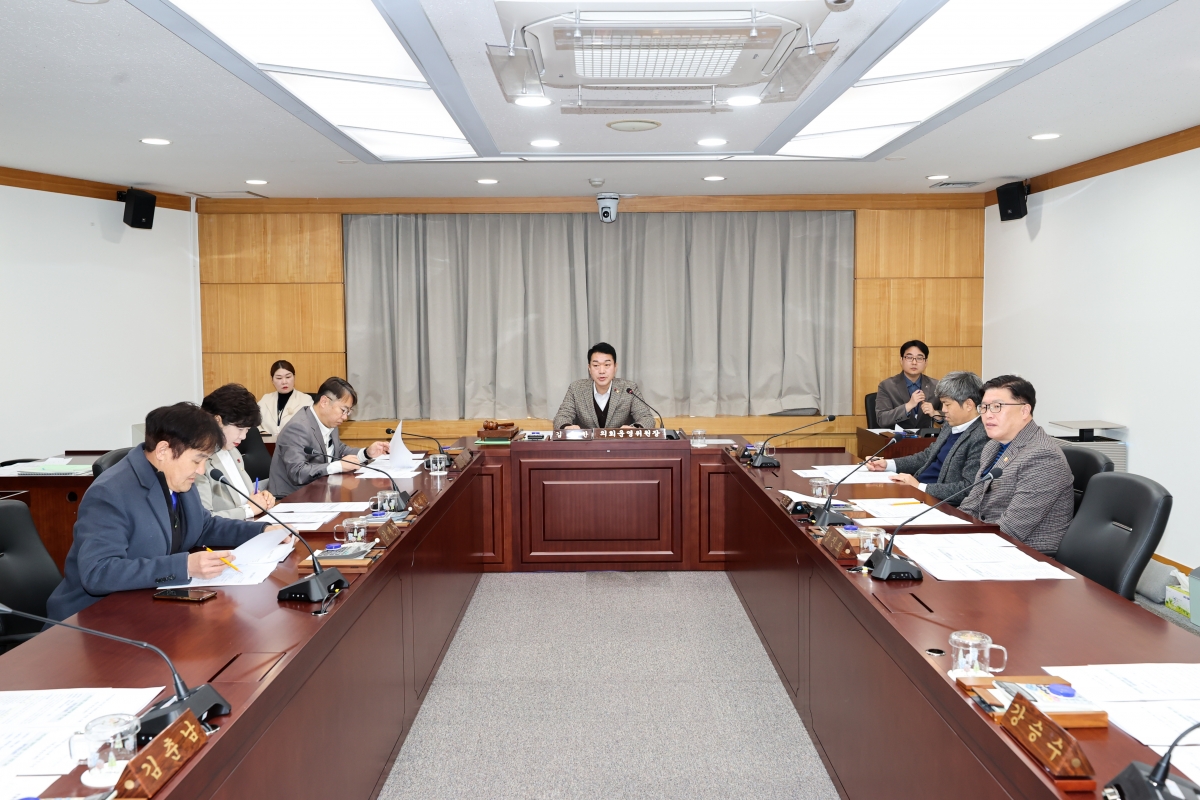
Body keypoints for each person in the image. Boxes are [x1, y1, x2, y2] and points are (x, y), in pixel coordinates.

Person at [45, 403, 280, 621]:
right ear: (163, 450)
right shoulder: (110, 493)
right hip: (91, 619)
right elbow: (99, 573)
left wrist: (263, 531)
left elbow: (203, 526)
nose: (201, 471)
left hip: (148, 606)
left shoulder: (177, 477)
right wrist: (183, 566)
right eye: (197, 460)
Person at [958, 375, 1074, 553]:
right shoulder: (993, 446)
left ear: (1024, 411)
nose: (988, 414)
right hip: (989, 542)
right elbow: (971, 506)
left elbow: (1011, 529)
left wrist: (961, 546)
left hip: (1026, 555)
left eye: (997, 406)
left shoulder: (1043, 457)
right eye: (984, 407)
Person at [866, 371, 988, 505]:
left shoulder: (982, 436)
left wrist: (920, 487)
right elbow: (927, 456)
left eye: (947, 404)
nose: (943, 410)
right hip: (918, 492)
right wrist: (888, 464)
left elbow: (968, 489)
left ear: (969, 405)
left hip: (938, 503)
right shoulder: (950, 425)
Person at [269, 377, 390, 497]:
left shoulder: (329, 422)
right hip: (292, 499)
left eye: (348, 412)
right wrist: (337, 466)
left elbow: (339, 450)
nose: (345, 417)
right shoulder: (297, 428)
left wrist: (367, 453)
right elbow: (298, 473)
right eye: (343, 410)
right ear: (324, 402)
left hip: (320, 493)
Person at [196, 383, 276, 519]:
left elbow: (247, 498)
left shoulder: (233, 452)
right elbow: (204, 519)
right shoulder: (198, 461)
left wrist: (262, 498)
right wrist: (248, 510)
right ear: (217, 420)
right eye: (240, 429)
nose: (243, 437)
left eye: (247, 430)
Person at [552, 342, 655, 430]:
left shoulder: (628, 388)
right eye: (596, 365)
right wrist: (566, 427)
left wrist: (634, 429)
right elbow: (561, 418)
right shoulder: (576, 388)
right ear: (589, 368)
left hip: (619, 446)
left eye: (607, 365)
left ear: (615, 367)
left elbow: (647, 418)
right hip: (586, 446)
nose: (601, 371)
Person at [875, 340, 939, 429]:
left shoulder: (936, 386)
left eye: (919, 358)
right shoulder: (887, 386)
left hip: (926, 437)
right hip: (897, 437)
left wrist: (935, 413)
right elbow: (882, 419)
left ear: (926, 362)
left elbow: (950, 416)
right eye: (909, 357)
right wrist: (908, 406)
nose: (914, 362)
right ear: (901, 360)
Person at [258, 360, 313, 441]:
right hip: (267, 446)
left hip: (295, 445)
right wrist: (262, 432)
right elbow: (253, 423)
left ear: (294, 377)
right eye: (279, 378)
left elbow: (311, 427)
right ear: (272, 380)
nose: (284, 382)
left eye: (288, 377)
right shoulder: (265, 399)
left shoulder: (305, 400)